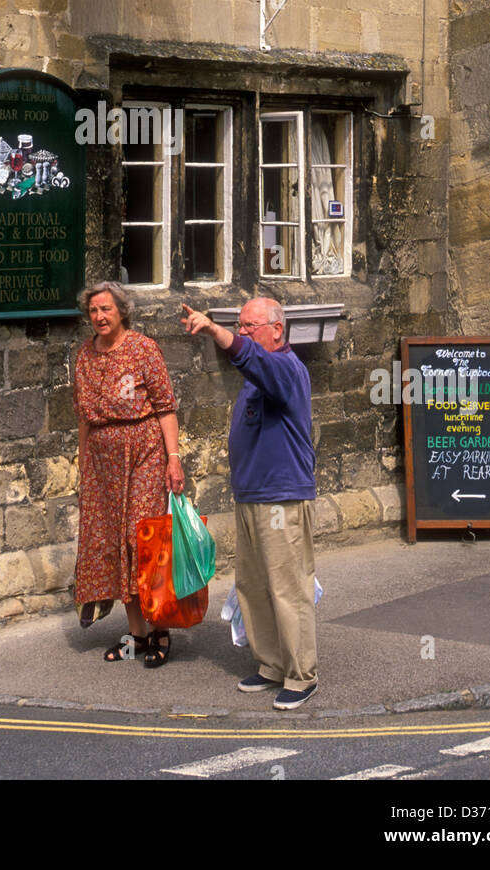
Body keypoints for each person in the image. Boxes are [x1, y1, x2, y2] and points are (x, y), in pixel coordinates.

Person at [181, 297, 318, 710]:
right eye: (239, 325)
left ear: (277, 329)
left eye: (251, 325)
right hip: (251, 496)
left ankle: (301, 675)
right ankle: (271, 665)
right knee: (254, 587)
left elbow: (251, 358)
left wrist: (215, 332)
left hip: (281, 499)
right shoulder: (258, 374)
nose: (244, 333)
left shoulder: (285, 368)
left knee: (288, 588)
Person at [73, 282, 185, 667]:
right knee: (113, 546)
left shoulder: (143, 348)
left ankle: (160, 630)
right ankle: (137, 635)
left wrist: (174, 458)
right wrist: (83, 463)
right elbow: (84, 417)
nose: (100, 317)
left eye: (106, 309)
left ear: (122, 310)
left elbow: (165, 406)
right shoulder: (84, 355)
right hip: (103, 463)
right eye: (93, 311)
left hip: (144, 452)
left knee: (141, 542)